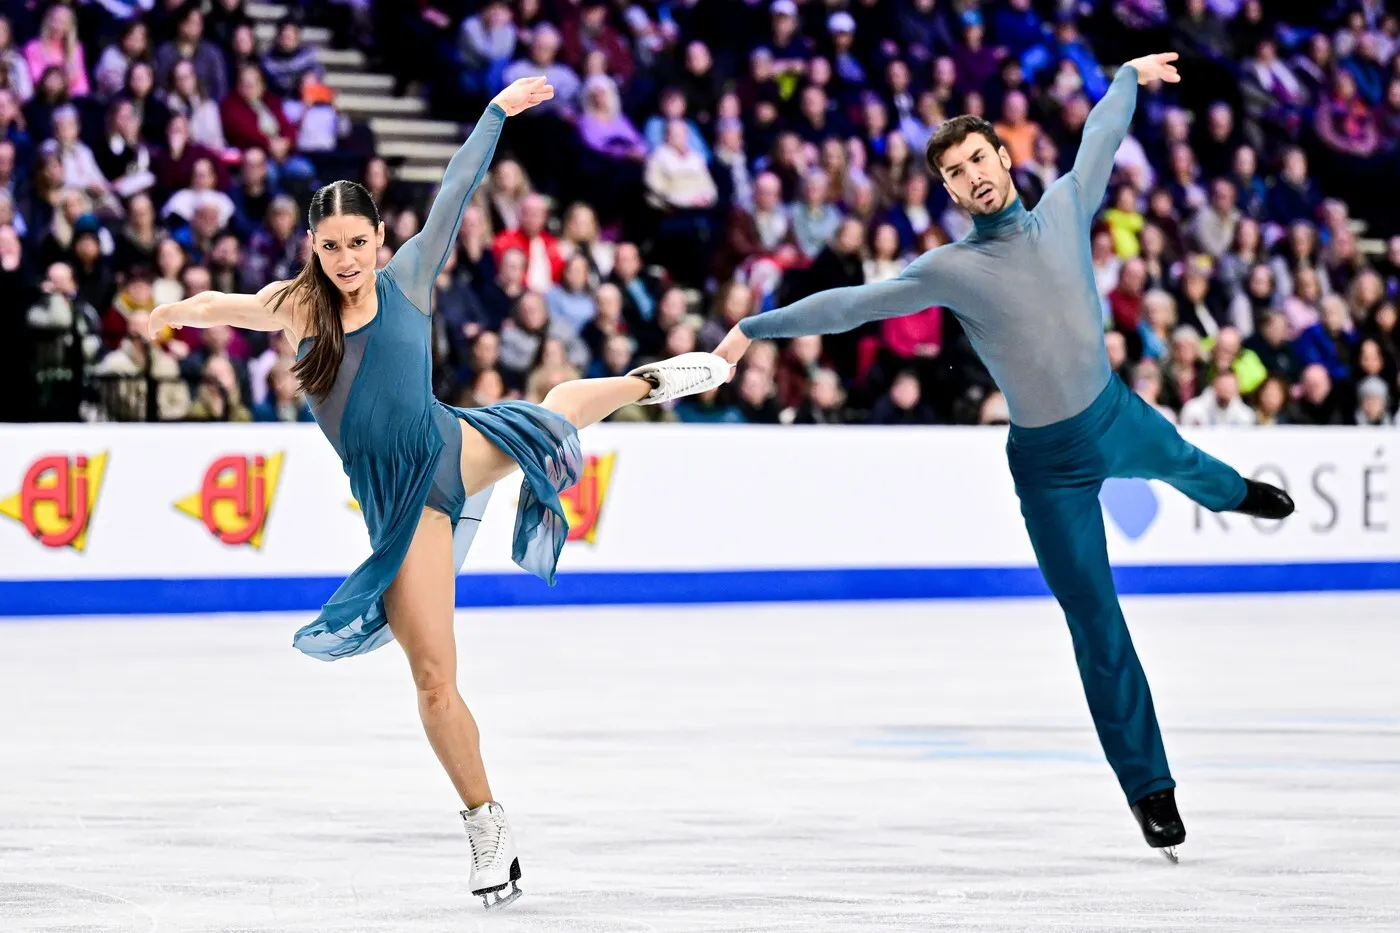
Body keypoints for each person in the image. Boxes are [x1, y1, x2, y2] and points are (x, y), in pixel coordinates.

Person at [148, 77, 729, 909]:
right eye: (331, 245)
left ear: (381, 238)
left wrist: (494, 114)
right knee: (432, 677)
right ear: (311, 245)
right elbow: (220, 304)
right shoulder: (296, 308)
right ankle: (488, 819)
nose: (347, 259)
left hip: (451, 444)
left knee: (552, 412)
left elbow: (457, 186)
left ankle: (648, 380)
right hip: (405, 507)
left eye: (359, 241)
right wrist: (169, 313)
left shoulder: (411, 277)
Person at [714, 54, 1295, 862]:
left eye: (977, 158)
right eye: (954, 173)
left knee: (1189, 464)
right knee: (1096, 620)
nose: (972, 176)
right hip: (1049, 468)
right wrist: (753, 328)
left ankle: (1236, 496)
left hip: (1115, 415)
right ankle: (1149, 787)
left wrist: (1126, 77)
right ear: (950, 193)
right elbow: (852, 306)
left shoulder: (1065, 205)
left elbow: (1101, 134)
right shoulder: (951, 269)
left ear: (1003, 157)